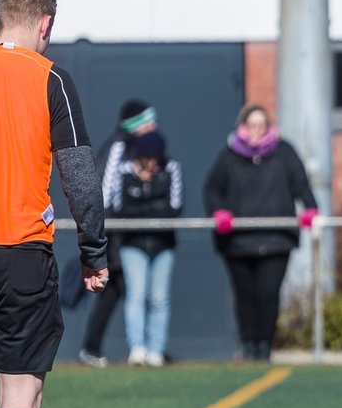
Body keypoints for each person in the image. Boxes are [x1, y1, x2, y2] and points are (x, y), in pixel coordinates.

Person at [0, 0, 108, 408]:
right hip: (18, 252)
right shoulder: (50, 78)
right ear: (45, 24)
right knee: (20, 391)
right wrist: (95, 251)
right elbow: (80, 178)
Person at [204, 104, 318, 362]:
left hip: (276, 239)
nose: (256, 131)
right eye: (251, 125)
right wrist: (219, 211)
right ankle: (249, 345)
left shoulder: (284, 152)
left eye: (261, 125)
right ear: (242, 127)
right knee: (244, 296)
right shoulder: (229, 156)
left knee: (268, 294)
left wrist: (311, 208)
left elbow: (300, 183)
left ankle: (264, 346)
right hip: (238, 241)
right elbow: (212, 188)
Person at [79, 99, 157, 367]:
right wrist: (103, 229)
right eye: (148, 121)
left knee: (119, 288)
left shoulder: (139, 148)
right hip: (112, 232)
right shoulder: (119, 146)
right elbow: (104, 189)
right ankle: (98, 347)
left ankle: (143, 347)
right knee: (115, 286)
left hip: (121, 232)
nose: (153, 125)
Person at [104, 130, 182, 366]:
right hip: (133, 245)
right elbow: (118, 209)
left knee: (159, 298)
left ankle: (157, 349)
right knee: (136, 295)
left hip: (163, 246)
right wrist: (151, 205)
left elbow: (174, 209)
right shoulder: (125, 172)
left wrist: (142, 204)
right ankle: (137, 347)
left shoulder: (171, 169)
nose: (151, 164)